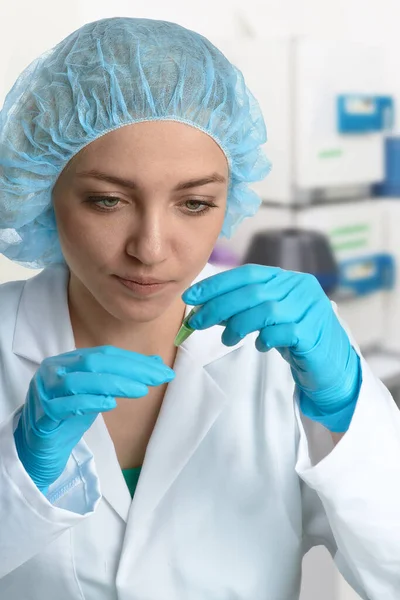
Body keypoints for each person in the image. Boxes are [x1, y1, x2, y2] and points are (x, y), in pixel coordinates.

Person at [0, 16, 399, 600]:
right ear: (40, 191)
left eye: (194, 202)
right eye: (108, 200)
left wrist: (348, 415)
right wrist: (18, 482)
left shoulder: (286, 356)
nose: (151, 249)